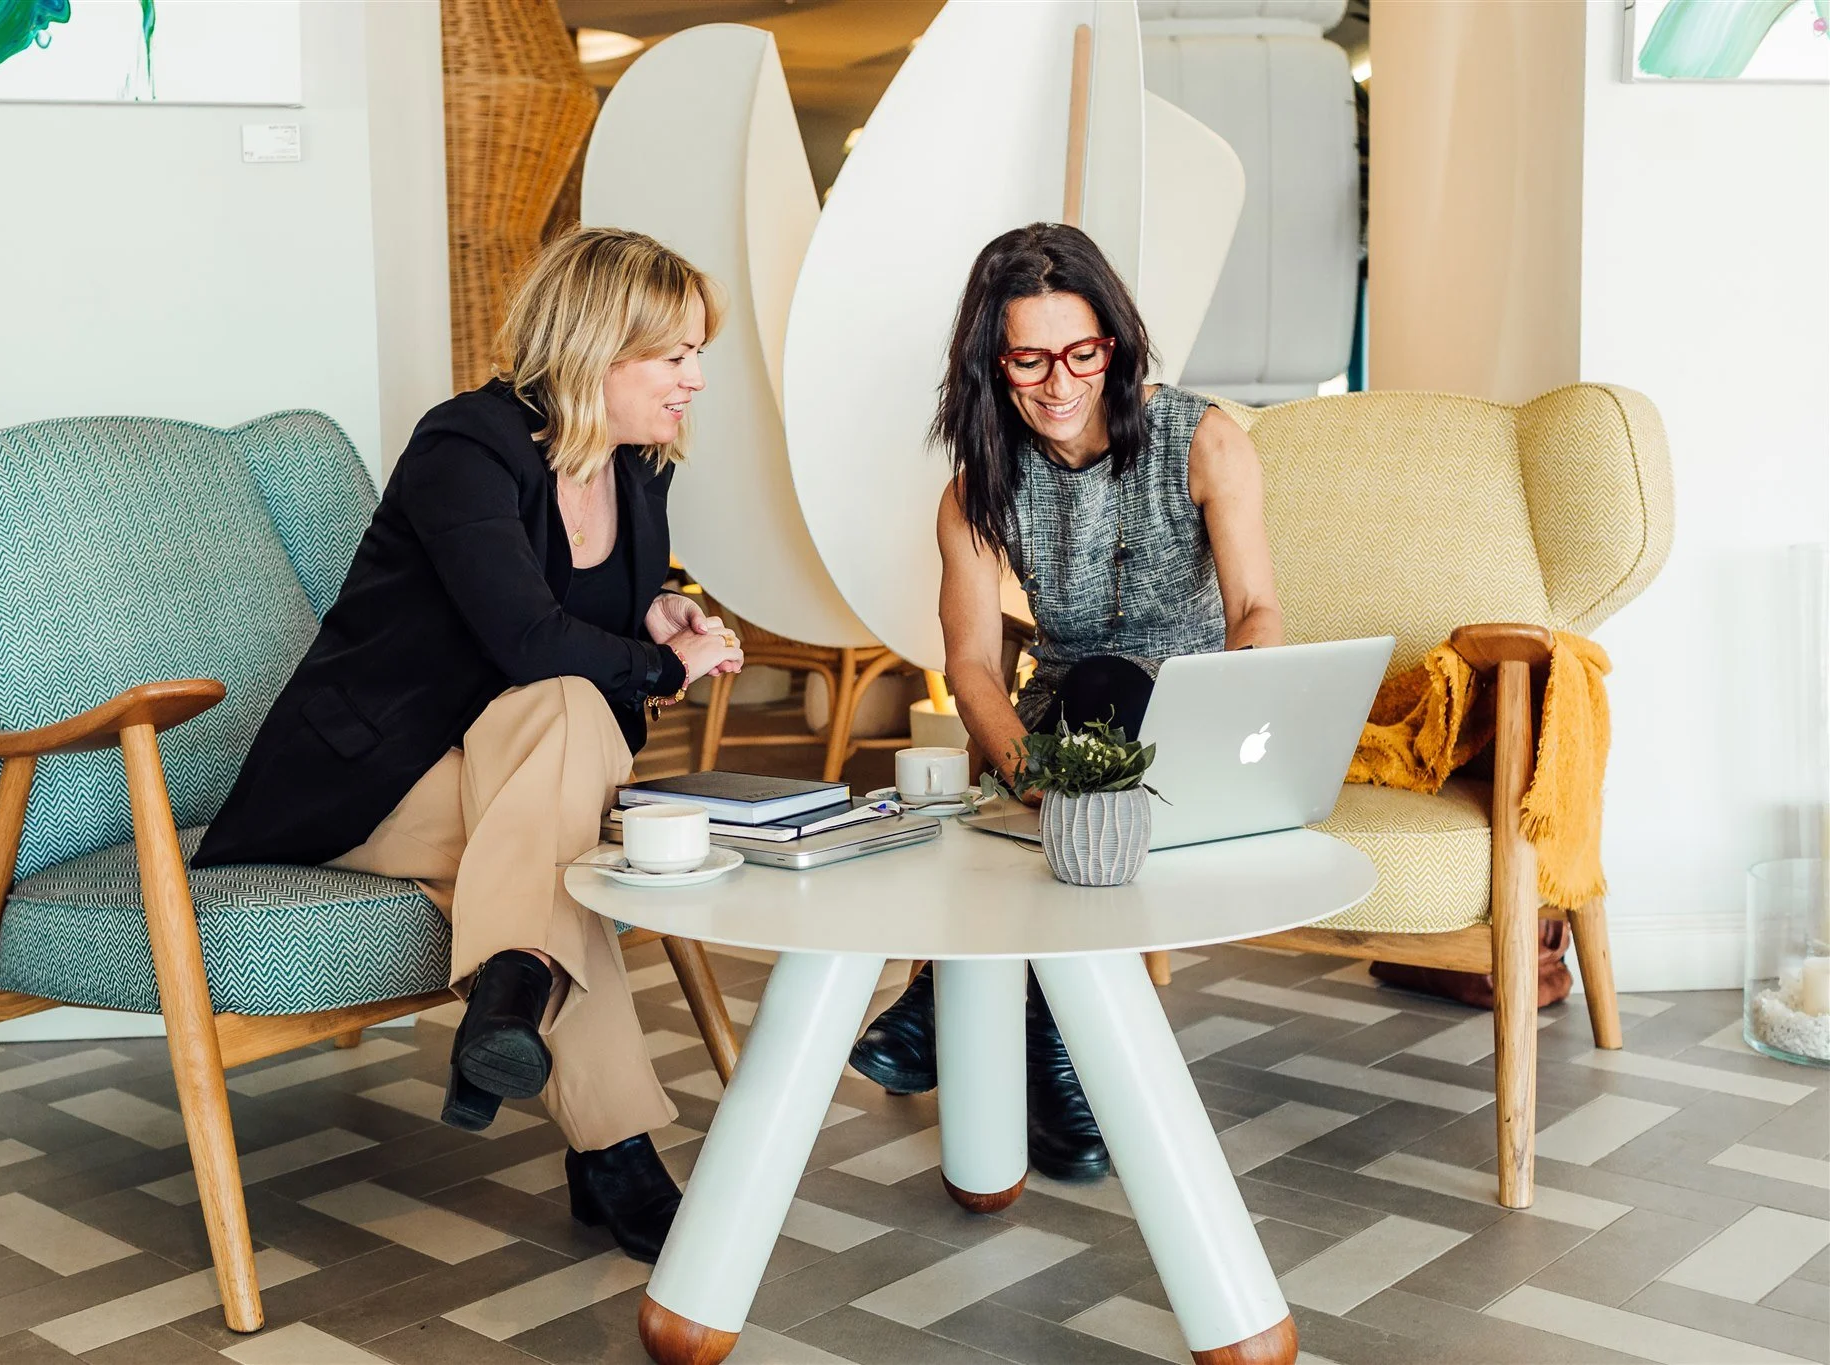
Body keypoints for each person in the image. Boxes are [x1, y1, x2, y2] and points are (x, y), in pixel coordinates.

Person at [194, 228, 745, 1261]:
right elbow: (525, 636)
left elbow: (578, 655)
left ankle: (514, 990)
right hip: (370, 775)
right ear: (597, 347)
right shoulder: (466, 446)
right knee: (566, 845)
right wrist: (663, 669)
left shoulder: (637, 473)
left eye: (695, 354)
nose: (695, 380)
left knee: (571, 718)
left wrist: (657, 620)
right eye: (673, 355)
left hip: (520, 760)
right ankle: (610, 1148)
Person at [847, 222, 1284, 1180]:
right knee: (1087, 682)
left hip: (1178, 728)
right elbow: (969, 666)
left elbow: (1255, 610)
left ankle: (944, 1003)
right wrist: (1028, 767)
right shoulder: (976, 491)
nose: (1060, 382)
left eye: (1083, 352)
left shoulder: (1203, 439)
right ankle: (1061, 1077)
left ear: (1115, 345)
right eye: (1030, 359)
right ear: (990, 363)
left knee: (1114, 679)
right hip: (1055, 737)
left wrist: (1233, 718)